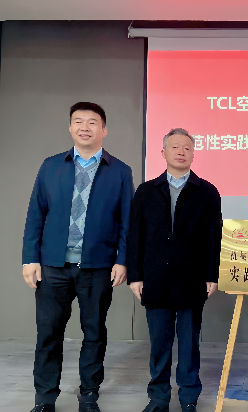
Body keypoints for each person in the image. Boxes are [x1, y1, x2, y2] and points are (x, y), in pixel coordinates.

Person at [22, 102, 134, 412]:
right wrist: (30, 258)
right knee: (49, 334)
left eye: (92, 122)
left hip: (98, 267)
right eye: (78, 121)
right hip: (53, 265)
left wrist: (122, 260)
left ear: (104, 130)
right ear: (70, 128)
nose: (85, 127)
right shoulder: (51, 166)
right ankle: (45, 399)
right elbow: (35, 215)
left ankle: (88, 396)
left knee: (94, 333)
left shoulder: (120, 171)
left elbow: (127, 222)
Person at [127, 128, 222, 412]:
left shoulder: (207, 192)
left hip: (192, 278)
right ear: (163, 152)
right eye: (175, 147)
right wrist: (135, 275)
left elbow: (213, 237)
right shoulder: (146, 191)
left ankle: (189, 397)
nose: (181, 152)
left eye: (187, 148)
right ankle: (158, 398)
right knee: (159, 343)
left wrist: (211, 275)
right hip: (154, 278)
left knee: (190, 343)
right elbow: (135, 235)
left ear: (193, 154)